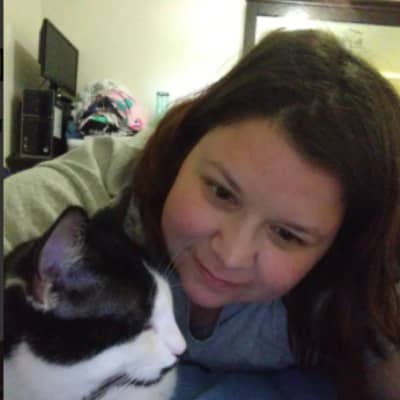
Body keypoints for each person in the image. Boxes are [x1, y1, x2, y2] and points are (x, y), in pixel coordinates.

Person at [4, 29, 400, 399]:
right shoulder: (102, 185)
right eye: (221, 192)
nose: (231, 255)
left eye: (287, 235)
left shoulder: (359, 284)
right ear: (187, 145)